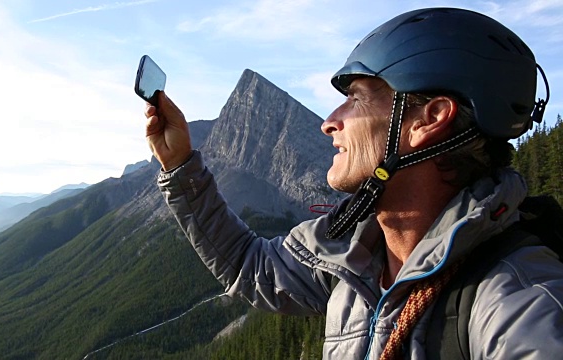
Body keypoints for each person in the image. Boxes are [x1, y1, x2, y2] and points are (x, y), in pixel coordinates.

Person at [144, 7, 563, 360]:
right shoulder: (349, 255)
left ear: (429, 119)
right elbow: (251, 267)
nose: (329, 122)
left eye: (358, 98)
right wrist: (180, 164)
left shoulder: (519, 302)